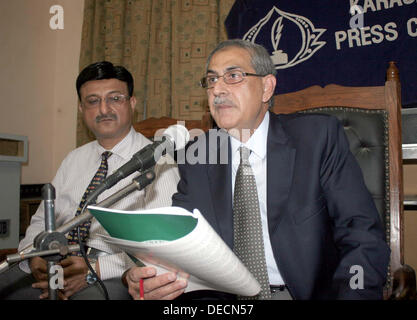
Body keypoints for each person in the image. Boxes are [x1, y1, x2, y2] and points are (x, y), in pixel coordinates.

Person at [123, 39, 390, 300]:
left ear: (266, 87)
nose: (217, 89)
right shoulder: (198, 157)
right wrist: (144, 277)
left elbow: (361, 233)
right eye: (212, 80)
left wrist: (355, 292)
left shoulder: (317, 138)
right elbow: (178, 242)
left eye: (234, 76)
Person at [0, 61, 180, 300]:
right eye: (93, 101)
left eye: (115, 98)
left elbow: (161, 244)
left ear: (132, 103)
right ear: (81, 108)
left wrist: (94, 270)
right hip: (56, 260)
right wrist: (34, 255)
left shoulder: (160, 162)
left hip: (114, 270)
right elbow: (43, 219)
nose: (104, 109)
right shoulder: (73, 159)